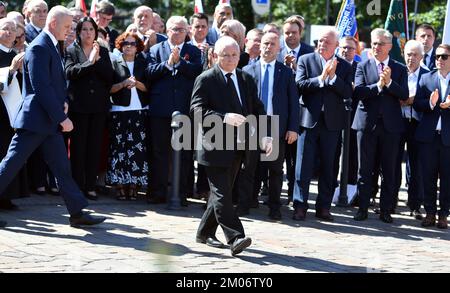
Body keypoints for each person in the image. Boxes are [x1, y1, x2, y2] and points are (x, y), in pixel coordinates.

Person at [0, 6, 106, 228]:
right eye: (67, 26)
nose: (69, 31)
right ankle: (77, 212)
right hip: (36, 121)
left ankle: (77, 212)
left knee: (62, 168)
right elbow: (41, 88)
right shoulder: (39, 47)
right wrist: (62, 117)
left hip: (46, 121)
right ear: (53, 24)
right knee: (10, 165)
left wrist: (63, 102)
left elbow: (53, 84)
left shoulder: (50, 45)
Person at [191, 36, 271, 256]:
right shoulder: (206, 79)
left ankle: (204, 233)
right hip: (213, 146)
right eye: (225, 55)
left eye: (234, 54)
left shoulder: (245, 78)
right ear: (215, 55)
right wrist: (223, 117)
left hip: (238, 147)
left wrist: (266, 135)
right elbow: (196, 113)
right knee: (223, 194)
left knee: (221, 193)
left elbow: (257, 108)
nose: (230, 59)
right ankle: (235, 237)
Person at [292, 29, 353, 221]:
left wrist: (333, 78)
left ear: (336, 46)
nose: (322, 44)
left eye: (327, 42)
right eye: (320, 41)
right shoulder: (305, 59)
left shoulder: (344, 66)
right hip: (309, 120)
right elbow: (300, 84)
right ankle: (300, 205)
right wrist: (321, 79)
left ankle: (324, 207)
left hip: (332, 123)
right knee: (303, 165)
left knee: (329, 166)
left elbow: (347, 92)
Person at [353, 29, 408, 223]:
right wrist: (378, 85)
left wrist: (390, 82)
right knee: (365, 170)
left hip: (391, 127)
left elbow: (404, 94)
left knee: (389, 170)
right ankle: (362, 208)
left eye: (381, 44)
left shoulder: (399, 68)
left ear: (390, 47)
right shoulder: (363, 65)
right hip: (367, 125)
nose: (376, 47)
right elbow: (358, 91)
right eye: (374, 43)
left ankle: (386, 210)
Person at [145, 16, 202, 205]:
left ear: (187, 32)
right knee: (159, 152)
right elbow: (150, 73)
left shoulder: (193, 51)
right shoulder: (155, 50)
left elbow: (197, 72)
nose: (178, 33)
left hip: (184, 108)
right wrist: (168, 63)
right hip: (160, 109)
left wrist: (180, 63)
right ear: (167, 31)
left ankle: (182, 192)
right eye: (174, 29)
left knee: (185, 153)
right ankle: (158, 191)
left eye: (181, 30)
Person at [243, 32, 299, 219]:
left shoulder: (286, 72)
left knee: (275, 168)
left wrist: (293, 128)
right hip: (253, 124)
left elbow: (293, 103)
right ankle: (246, 202)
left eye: (272, 44)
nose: (268, 47)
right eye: (265, 43)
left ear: (279, 48)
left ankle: (274, 207)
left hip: (276, 125)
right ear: (260, 46)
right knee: (250, 166)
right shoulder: (248, 71)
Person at [65, 16, 113, 200]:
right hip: (78, 107)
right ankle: (77, 185)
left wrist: (98, 60)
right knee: (78, 148)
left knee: (94, 147)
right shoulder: (71, 50)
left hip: (99, 107)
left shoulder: (103, 51)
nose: (88, 33)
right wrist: (89, 62)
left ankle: (90, 186)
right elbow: (70, 72)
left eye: (91, 30)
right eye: (84, 29)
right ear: (78, 32)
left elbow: (110, 76)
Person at [107, 32, 148, 200]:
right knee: (119, 149)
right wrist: (124, 84)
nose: (129, 46)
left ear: (137, 47)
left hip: (139, 110)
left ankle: (134, 184)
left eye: (132, 43)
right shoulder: (114, 62)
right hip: (119, 111)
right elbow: (109, 88)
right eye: (125, 43)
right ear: (120, 46)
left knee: (137, 149)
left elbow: (148, 88)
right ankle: (119, 185)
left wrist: (136, 83)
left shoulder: (143, 63)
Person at [413, 44, 450, 229]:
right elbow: (416, 105)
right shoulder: (426, 77)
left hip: (447, 139)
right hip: (428, 137)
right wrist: (430, 103)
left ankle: (444, 214)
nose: (439, 60)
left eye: (444, 56)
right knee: (427, 177)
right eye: (437, 57)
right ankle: (430, 212)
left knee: (447, 178)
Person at [393, 40, 429, 220]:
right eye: (408, 54)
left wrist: (411, 100)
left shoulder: (428, 75)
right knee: (392, 163)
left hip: (417, 124)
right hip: (398, 122)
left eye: (415, 54)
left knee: (417, 166)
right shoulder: (397, 71)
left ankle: (415, 205)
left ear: (422, 57)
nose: (411, 58)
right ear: (403, 55)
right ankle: (390, 201)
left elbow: (429, 100)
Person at [0, 18, 28, 212]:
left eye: (13, 29)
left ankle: (8, 196)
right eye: (5, 29)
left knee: (11, 152)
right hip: (0, 111)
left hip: (13, 112)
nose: (10, 33)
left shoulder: (17, 54)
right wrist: (11, 70)